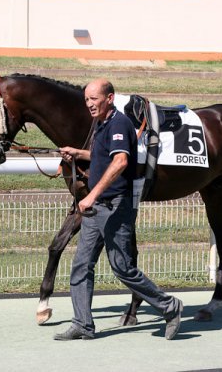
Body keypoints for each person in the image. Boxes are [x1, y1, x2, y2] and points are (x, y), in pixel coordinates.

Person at [54, 78, 183, 341]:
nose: (89, 104)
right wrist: (77, 153)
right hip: (96, 210)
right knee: (81, 265)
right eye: (87, 99)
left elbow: (120, 161)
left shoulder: (120, 124)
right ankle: (82, 324)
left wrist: (91, 195)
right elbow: (102, 156)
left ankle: (170, 307)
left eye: (94, 99)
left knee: (122, 268)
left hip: (115, 207)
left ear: (109, 98)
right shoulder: (101, 124)